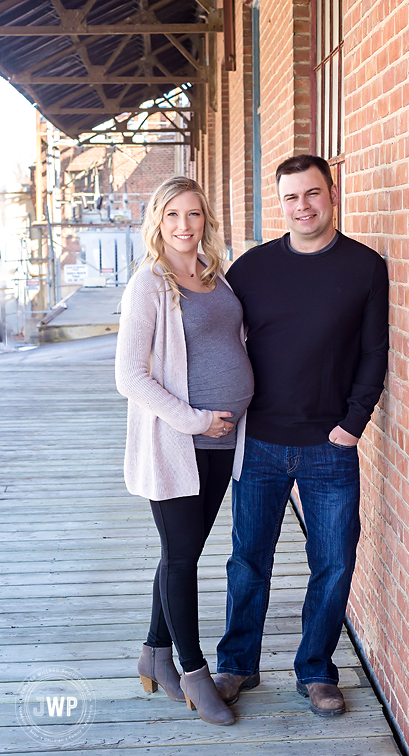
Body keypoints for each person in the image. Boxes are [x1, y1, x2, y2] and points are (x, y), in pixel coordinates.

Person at [214, 154, 389, 716]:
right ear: (280, 203)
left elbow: (373, 352)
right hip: (259, 439)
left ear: (332, 194)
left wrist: (352, 424)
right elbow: (217, 340)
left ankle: (316, 669)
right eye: (291, 198)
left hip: (328, 444)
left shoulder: (364, 267)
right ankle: (237, 664)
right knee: (248, 559)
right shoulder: (251, 268)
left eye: (312, 194)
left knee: (334, 561)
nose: (303, 207)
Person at [115, 176, 253, 726]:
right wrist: (195, 418)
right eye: (172, 215)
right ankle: (194, 670)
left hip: (222, 441)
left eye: (193, 214)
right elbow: (130, 376)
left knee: (184, 551)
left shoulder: (214, 276)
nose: (183, 226)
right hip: (178, 441)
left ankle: (153, 652)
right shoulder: (148, 284)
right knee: (181, 556)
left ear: (205, 220)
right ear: (157, 221)